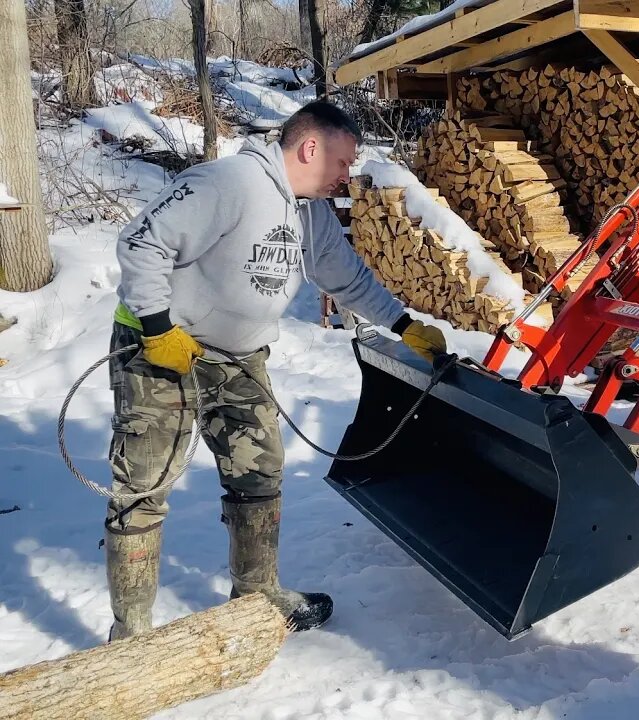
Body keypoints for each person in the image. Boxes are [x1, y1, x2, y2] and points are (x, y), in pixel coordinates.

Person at [103, 100, 446, 640]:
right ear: (311, 147)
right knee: (145, 486)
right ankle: (130, 634)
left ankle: (255, 593)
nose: (346, 174)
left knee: (259, 471)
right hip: (161, 351)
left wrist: (404, 326)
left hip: (237, 357)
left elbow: (347, 279)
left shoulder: (310, 211)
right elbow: (143, 242)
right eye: (343, 160)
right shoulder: (228, 183)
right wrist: (155, 325)